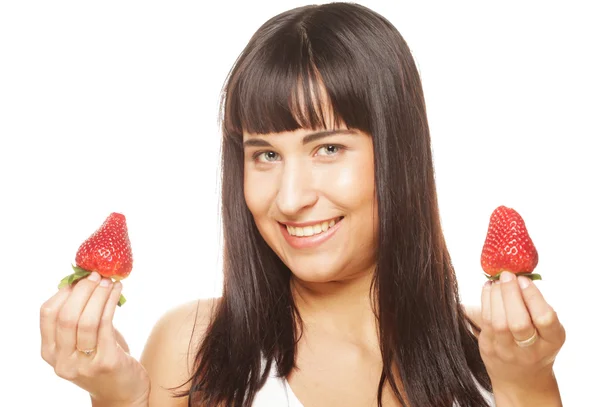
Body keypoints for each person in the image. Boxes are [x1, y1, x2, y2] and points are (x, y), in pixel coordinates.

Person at [39, 3, 566, 406]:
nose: (290, 199)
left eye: (328, 148)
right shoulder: (194, 349)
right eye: (265, 154)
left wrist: (527, 383)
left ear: (398, 153)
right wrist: (121, 397)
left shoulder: (494, 356)